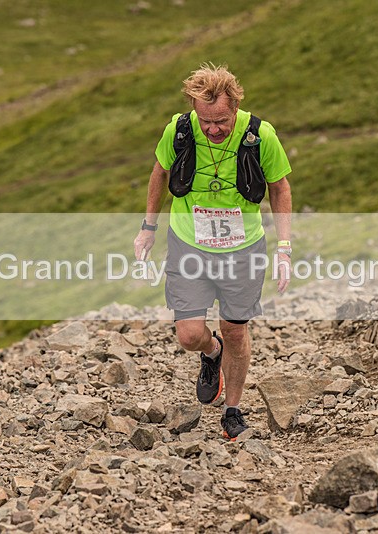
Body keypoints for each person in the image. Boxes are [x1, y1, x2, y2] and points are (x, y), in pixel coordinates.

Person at [134, 63, 292, 440]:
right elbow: (159, 174)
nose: (212, 129)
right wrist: (148, 227)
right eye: (205, 121)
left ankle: (233, 409)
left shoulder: (260, 135)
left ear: (234, 106)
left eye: (220, 120)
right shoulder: (180, 130)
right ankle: (210, 352)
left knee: (235, 330)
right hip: (189, 242)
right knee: (189, 335)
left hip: (242, 247)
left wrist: (284, 248)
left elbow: (280, 188)